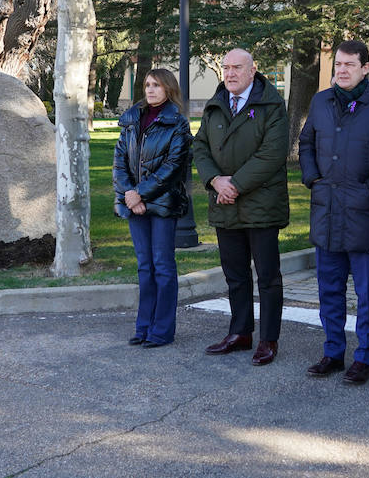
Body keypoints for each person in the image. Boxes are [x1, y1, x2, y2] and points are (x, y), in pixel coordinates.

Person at [299, 41, 369, 385]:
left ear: (364, 68)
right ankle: (332, 352)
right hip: (326, 210)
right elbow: (307, 142)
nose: (341, 70)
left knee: (366, 293)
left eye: (349, 64)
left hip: (365, 214)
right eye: (338, 64)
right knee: (329, 290)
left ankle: (365, 357)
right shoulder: (321, 101)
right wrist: (312, 177)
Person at [194, 48, 290, 365]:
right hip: (225, 205)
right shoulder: (216, 104)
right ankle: (240, 332)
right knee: (235, 275)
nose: (230, 73)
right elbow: (200, 147)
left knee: (267, 277)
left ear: (253, 70)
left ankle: (268, 339)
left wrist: (233, 185)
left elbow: (272, 155)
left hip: (260, 204)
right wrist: (214, 181)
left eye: (237, 67)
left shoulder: (271, 105)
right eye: (226, 67)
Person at [113, 68, 192, 347]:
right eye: (147, 84)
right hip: (135, 204)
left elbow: (173, 167)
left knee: (162, 266)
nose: (150, 89)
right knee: (145, 267)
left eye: (156, 85)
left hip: (162, 205)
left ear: (168, 89)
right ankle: (143, 326)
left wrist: (140, 195)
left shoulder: (178, 124)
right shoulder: (132, 120)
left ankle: (162, 330)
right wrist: (129, 194)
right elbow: (120, 161)